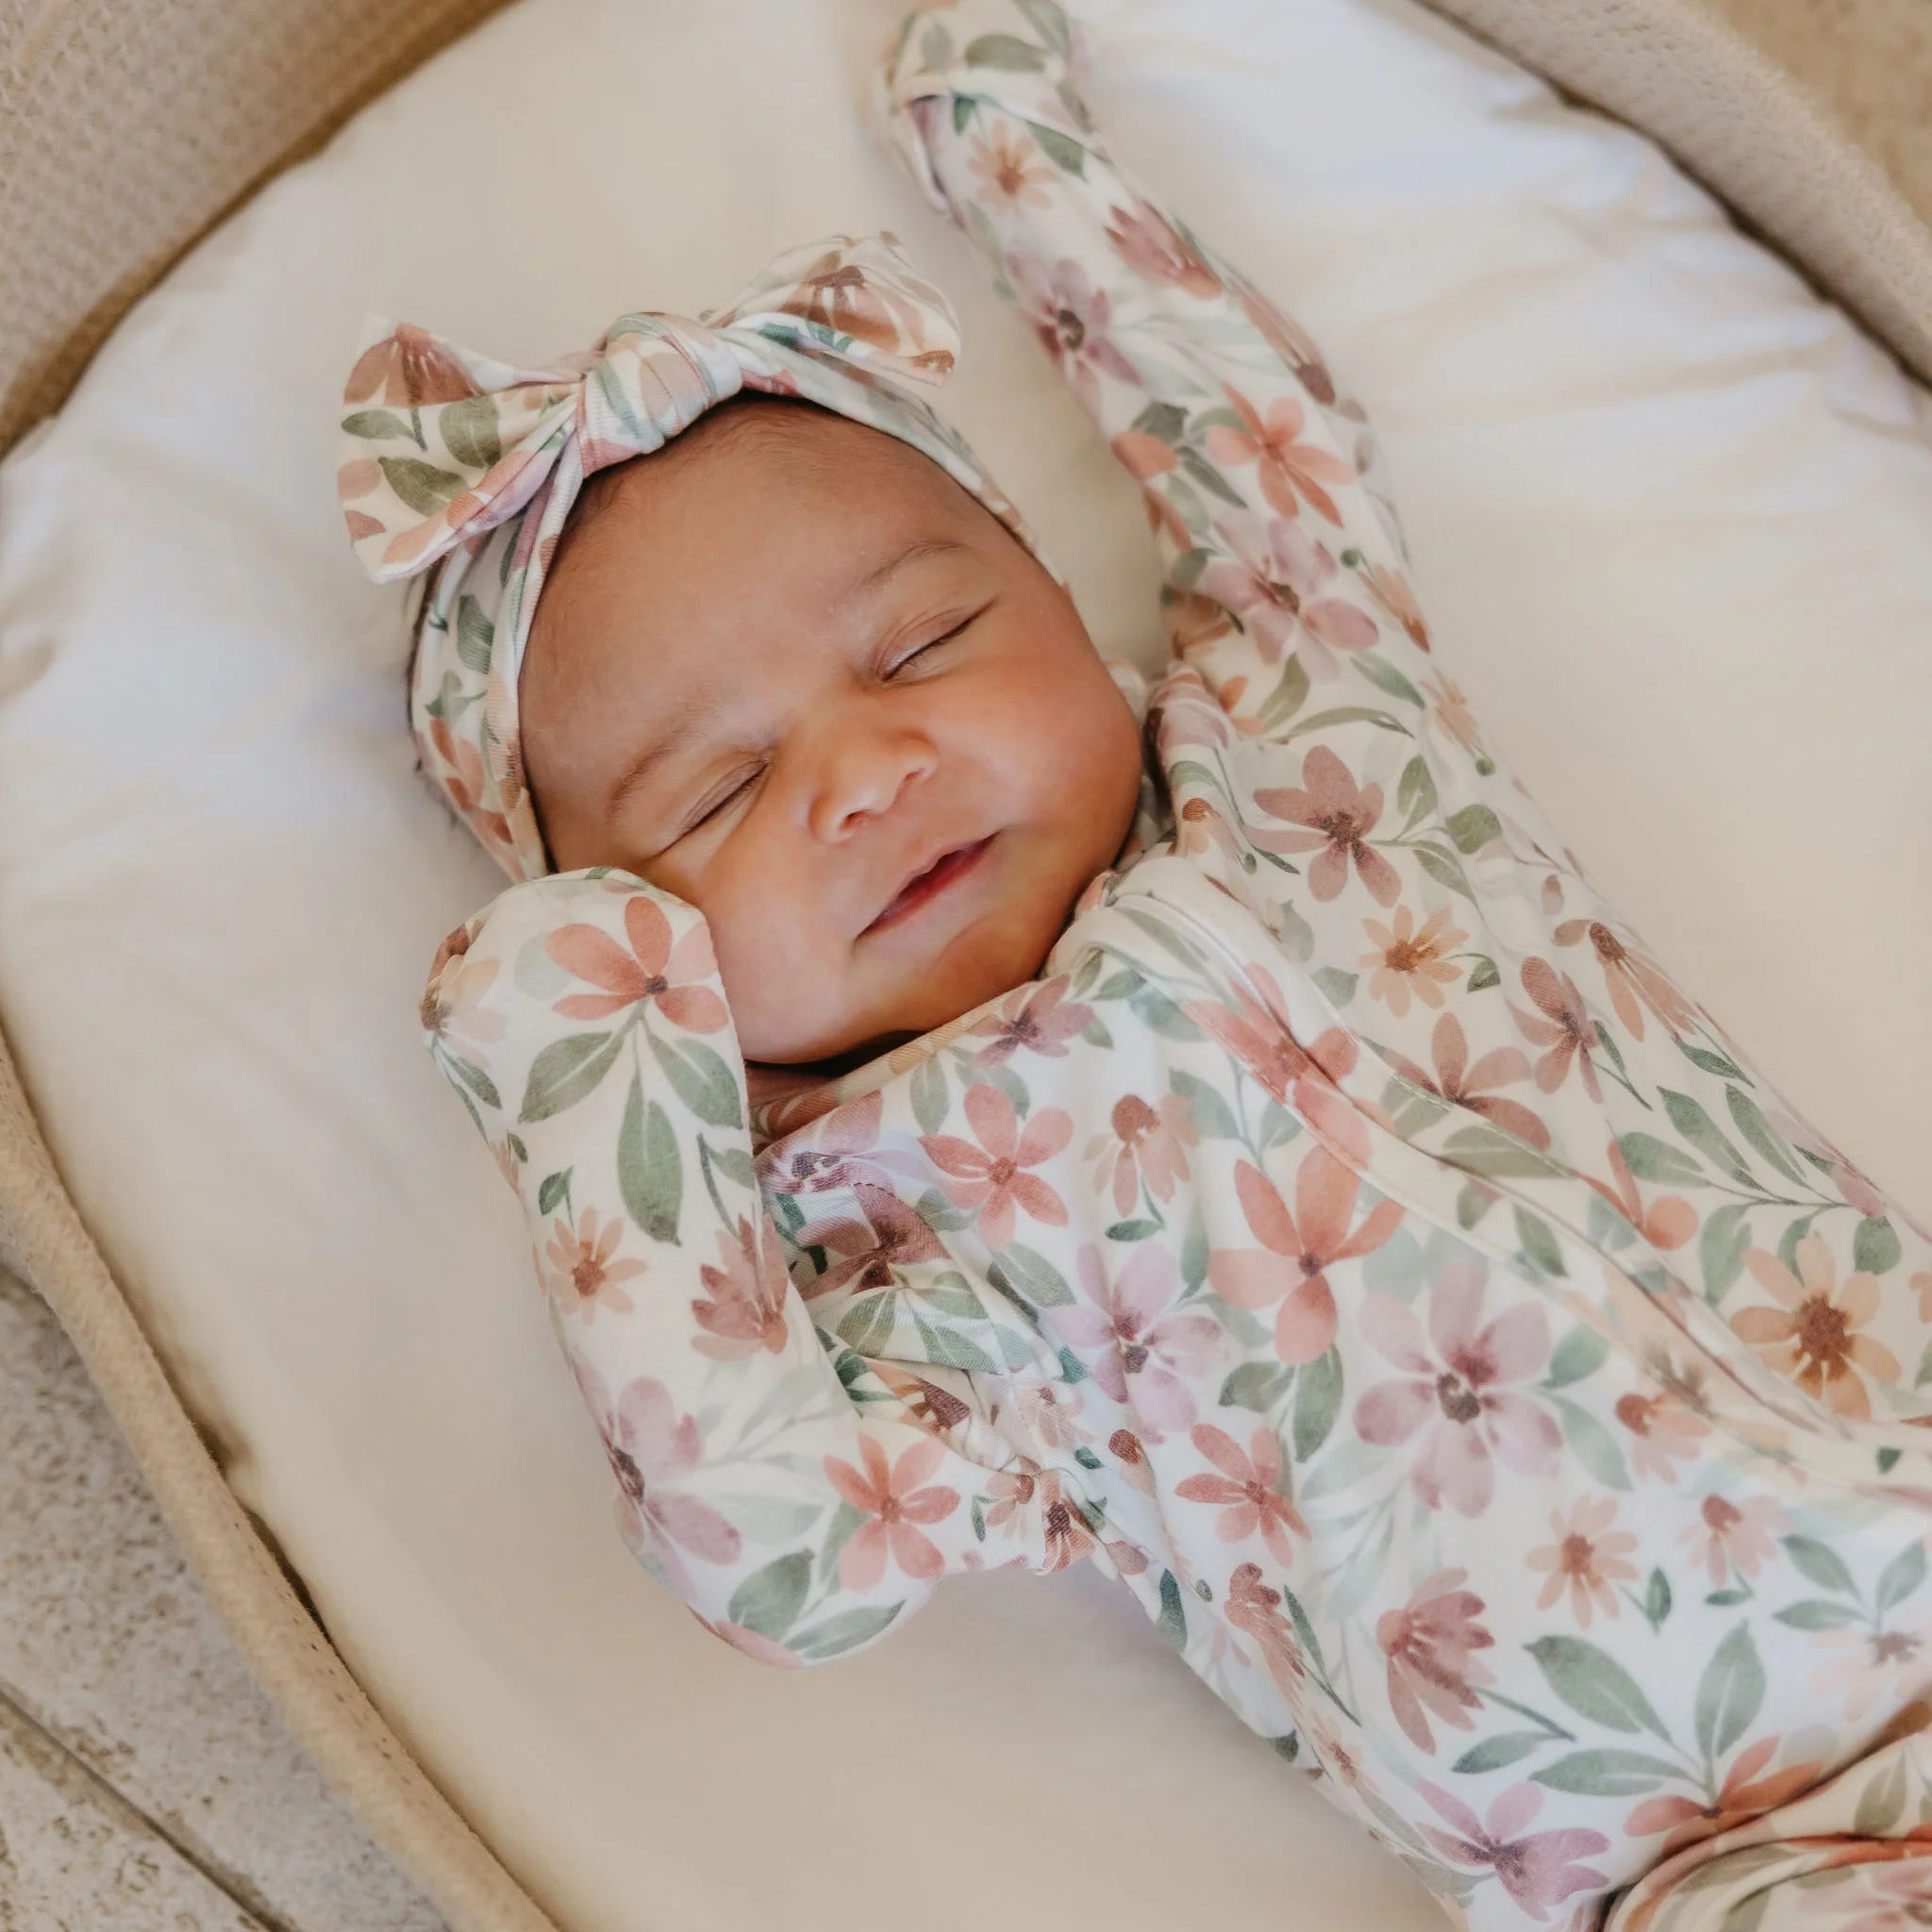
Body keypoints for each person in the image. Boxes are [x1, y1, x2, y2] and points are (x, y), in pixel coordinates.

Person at [336, 2, 1932, 1924]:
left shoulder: (1309, 725)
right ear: (650, 957)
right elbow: (777, 1557)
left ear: (1065, 616)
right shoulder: (900, 1251)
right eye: (721, 792)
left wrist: (1013, 147)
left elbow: (1254, 435)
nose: (865, 771)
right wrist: (582, 1064)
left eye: (923, 643)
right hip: (1726, 1856)